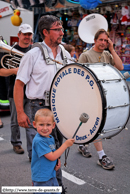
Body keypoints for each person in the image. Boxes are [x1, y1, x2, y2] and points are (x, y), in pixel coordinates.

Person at [13, 15, 72, 193]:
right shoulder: (32, 54)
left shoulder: (65, 53)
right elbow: (19, 84)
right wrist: (21, 112)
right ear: (46, 32)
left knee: (55, 151)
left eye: (62, 29)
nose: (62, 32)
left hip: (58, 108)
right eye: (57, 29)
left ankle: (56, 187)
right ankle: (43, 188)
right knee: (41, 154)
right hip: (37, 108)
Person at [78, 29, 123, 170]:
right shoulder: (85, 56)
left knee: (89, 122)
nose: (103, 43)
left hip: (104, 95)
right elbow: (78, 76)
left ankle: (82, 143)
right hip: (89, 96)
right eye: (101, 40)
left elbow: (120, 67)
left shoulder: (107, 55)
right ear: (95, 40)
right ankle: (102, 156)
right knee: (96, 123)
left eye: (106, 40)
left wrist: (112, 49)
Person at [0, 24, 33, 154]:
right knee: (15, 121)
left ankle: (32, 151)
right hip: (14, 92)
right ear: (19, 35)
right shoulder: (9, 51)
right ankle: (16, 143)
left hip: (31, 92)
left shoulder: (34, 51)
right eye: (24, 34)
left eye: (29, 34)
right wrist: (15, 70)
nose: (27, 37)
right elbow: (1, 71)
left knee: (31, 123)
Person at [31, 108, 74, 194]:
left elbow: (53, 153)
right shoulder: (39, 141)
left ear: (53, 125)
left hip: (51, 175)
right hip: (42, 179)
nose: (45, 128)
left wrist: (57, 161)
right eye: (41, 124)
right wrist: (65, 145)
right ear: (34, 124)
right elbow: (52, 156)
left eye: (48, 125)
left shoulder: (50, 138)